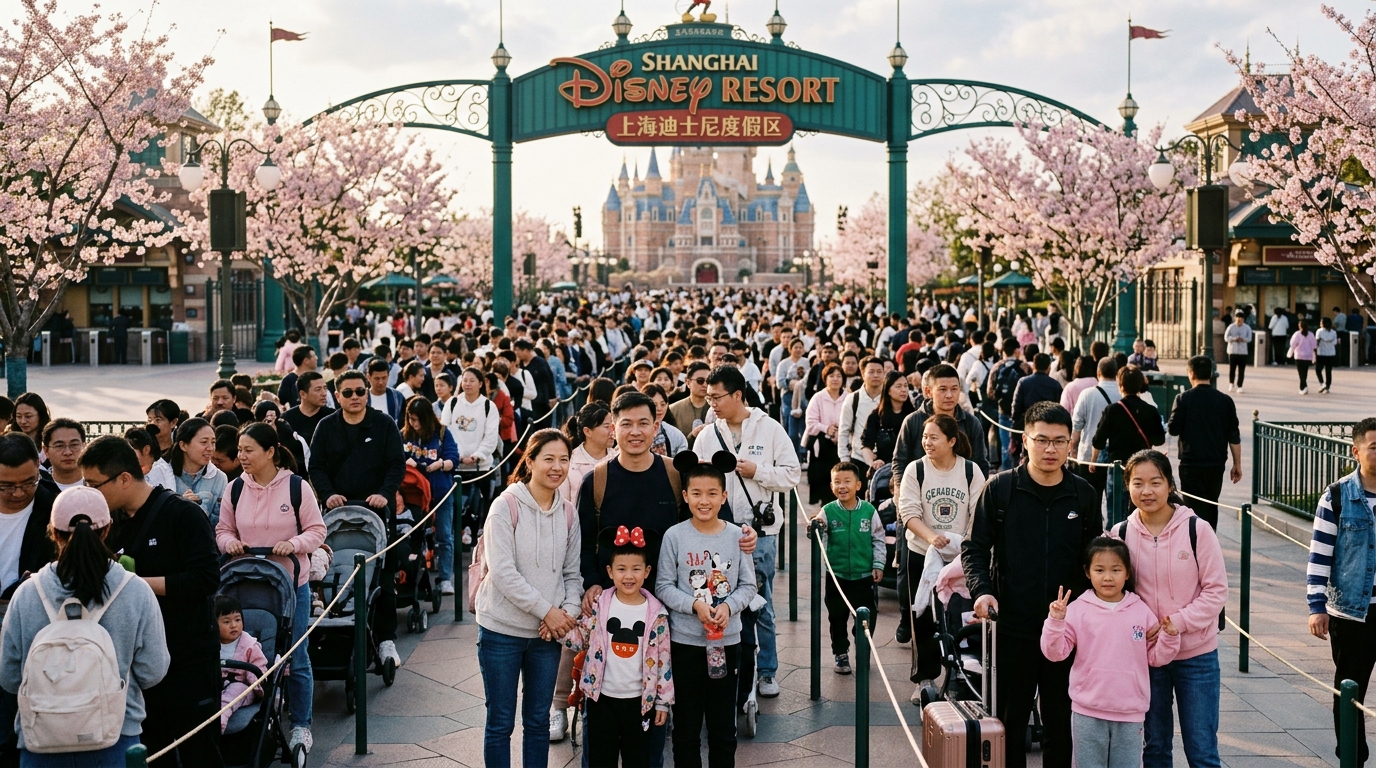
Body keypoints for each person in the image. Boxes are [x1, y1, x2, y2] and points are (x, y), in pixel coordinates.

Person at [962, 401, 1103, 768]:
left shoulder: (1084, 495)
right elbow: (974, 548)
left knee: (1062, 722)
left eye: (1059, 441)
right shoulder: (1001, 489)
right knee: (1010, 723)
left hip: (1068, 631)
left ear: (1071, 443)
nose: (1051, 449)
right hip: (1013, 627)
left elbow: (1095, 560)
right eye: (1042, 440)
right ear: (1025, 441)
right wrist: (983, 590)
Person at [80, 436, 223, 767]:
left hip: (188, 658)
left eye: (94, 484)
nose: (89, 493)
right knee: (152, 753)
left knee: (200, 753)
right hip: (137, 666)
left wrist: (135, 584)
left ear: (125, 479)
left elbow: (206, 579)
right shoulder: (109, 523)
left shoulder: (183, 515)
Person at [0, 486, 169, 764]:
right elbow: (153, 671)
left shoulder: (28, 593)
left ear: (53, 532)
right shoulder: (135, 591)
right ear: (107, 529)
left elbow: (9, 678)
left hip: (41, 741)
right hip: (116, 738)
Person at [216, 422, 327, 755]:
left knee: (296, 655)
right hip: (245, 585)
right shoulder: (235, 488)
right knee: (243, 653)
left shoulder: (296, 487)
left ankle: (301, 724)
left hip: (292, 584)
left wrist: (292, 544)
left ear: (270, 452)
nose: (242, 456)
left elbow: (317, 531)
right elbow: (222, 530)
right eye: (240, 450)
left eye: (249, 450)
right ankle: (250, 715)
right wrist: (232, 543)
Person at [1112, 450, 1228, 767]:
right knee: (1155, 748)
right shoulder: (1120, 534)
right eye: (1138, 483)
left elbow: (1217, 591)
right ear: (1128, 486)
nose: (1146, 491)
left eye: (1155, 482)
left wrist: (1178, 622)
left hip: (1197, 655)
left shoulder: (1197, 529)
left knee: (1202, 750)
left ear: (1170, 485)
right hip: (1147, 656)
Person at [692, 365, 800, 700]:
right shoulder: (709, 433)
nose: (712, 403)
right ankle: (731, 670)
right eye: (708, 397)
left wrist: (759, 471)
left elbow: (792, 474)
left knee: (760, 604)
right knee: (718, 600)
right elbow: (697, 477)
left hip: (761, 532)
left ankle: (767, 671)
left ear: (738, 395)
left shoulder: (769, 428)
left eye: (717, 397)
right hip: (719, 533)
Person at [475, 429, 581, 768]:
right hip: (501, 631)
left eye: (563, 459)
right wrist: (547, 611)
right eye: (548, 458)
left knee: (537, 722)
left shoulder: (567, 512)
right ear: (530, 461)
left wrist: (565, 615)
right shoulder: (505, 506)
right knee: (501, 722)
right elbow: (503, 573)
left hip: (546, 637)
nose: (557, 467)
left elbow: (572, 574)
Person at [1041, 537, 1181, 768]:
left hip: (1130, 712)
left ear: (1127, 573)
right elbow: (1055, 653)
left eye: (1116, 570)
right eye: (1099, 570)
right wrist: (1056, 621)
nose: (1108, 577)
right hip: (1087, 710)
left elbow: (1156, 657)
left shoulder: (1140, 610)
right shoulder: (1077, 609)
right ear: (1087, 572)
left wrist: (1170, 636)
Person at [657, 454, 758, 768]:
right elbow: (663, 586)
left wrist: (728, 606)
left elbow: (748, 586)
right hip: (686, 643)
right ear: (685, 496)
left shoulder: (736, 536)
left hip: (726, 643)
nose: (704, 501)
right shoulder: (674, 536)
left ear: (724, 496)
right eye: (696, 494)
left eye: (712, 493)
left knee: (723, 726)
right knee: (686, 726)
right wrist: (695, 605)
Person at [308, 369, 406, 667]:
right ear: (337, 396)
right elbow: (316, 466)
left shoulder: (384, 424)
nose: (354, 397)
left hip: (375, 508)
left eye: (360, 392)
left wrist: (385, 493)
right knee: (332, 572)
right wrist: (326, 494)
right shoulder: (326, 427)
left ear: (368, 392)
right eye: (347, 392)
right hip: (337, 510)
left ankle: (386, 639)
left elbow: (395, 464)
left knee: (382, 575)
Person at [554, 527, 673, 768]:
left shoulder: (656, 613)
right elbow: (581, 637)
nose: (628, 576)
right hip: (601, 699)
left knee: (638, 759)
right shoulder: (600, 604)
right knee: (600, 759)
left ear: (647, 571)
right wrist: (556, 628)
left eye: (636, 569)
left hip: (641, 702)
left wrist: (663, 702)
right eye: (621, 569)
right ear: (610, 571)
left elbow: (663, 661)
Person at [897, 413, 985, 699]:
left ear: (951, 441)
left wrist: (964, 542)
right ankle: (924, 678)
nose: (927, 442)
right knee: (922, 616)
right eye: (925, 437)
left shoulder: (970, 471)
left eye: (934, 437)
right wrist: (932, 538)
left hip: (962, 557)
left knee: (962, 614)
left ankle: (964, 672)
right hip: (921, 553)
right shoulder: (916, 470)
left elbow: (979, 513)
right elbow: (908, 512)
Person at [1308, 417, 1376, 765]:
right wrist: (1316, 605)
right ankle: (1352, 757)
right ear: (1356, 451)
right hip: (1352, 612)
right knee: (1350, 689)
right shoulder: (1337, 495)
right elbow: (1320, 553)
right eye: (1374, 447)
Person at [814, 461, 884, 675]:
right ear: (831, 485)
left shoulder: (869, 511)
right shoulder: (828, 511)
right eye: (837, 482)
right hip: (837, 576)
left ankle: (863, 651)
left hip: (863, 577)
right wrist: (815, 527)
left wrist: (878, 564)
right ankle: (841, 654)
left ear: (858, 485)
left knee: (865, 618)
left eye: (847, 481)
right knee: (836, 617)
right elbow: (818, 532)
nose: (842, 486)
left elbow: (878, 539)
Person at [1167, 356, 1243, 530]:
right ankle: (1209, 540)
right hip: (1216, 464)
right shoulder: (1225, 400)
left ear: (1191, 374)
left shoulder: (1183, 399)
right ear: (1210, 374)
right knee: (1211, 504)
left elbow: (1173, 429)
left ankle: (1194, 542)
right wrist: (1237, 464)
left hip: (1190, 463)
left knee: (1192, 508)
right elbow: (1234, 435)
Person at [401, 397, 459, 595]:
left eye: (418, 420)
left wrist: (440, 464)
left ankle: (444, 578)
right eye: (411, 419)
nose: (414, 424)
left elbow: (453, 459)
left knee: (444, 535)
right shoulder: (405, 435)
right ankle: (413, 576)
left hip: (440, 491)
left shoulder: (442, 433)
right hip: (414, 494)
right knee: (414, 533)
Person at [1091, 364, 1165, 466]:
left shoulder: (1112, 410)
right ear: (1140, 385)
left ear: (1121, 386)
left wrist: (1093, 461)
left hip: (1118, 465)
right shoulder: (1150, 410)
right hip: (1142, 464)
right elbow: (1159, 440)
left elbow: (1098, 441)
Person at [215, 594, 268, 733]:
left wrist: (254, 679)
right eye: (226, 622)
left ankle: (219, 720)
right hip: (216, 684)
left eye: (237, 620)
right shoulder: (211, 645)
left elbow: (259, 665)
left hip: (242, 687)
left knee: (236, 690)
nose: (234, 625)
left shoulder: (249, 645)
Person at [858, 370, 915, 486]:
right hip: (884, 472)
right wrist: (873, 462)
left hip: (910, 472)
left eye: (905, 386)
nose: (904, 390)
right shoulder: (876, 417)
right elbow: (866, 445)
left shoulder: (913, 416)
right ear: (888, 390)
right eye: (898, 386)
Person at [168, 417, 228, 525]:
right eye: (204, 442)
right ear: (183, 445)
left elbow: (219, 524)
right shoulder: (163, 473)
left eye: (213, 442)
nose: (210, 448)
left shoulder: (219, 478)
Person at [803, 364, 847, 505]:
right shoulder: (818, 398)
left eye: (839, 376)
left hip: (842, 444)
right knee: (824, 482)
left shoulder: (849, 397)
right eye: (831, 376)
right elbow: (810, 422)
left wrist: (840, 432)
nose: (835, 379)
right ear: (825, 378)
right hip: (821, 445)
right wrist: (826, 428)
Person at [837, 357, 886, 464]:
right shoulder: (853, 399)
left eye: (879, 372)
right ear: (863, 374)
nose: (876, 375)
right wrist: (844, 459)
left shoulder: (889, 398)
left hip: (885, 459)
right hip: (859, 458)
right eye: (871, 372)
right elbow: (844, 430)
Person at [1011, 353, 1064, 431]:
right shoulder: (1055, 385)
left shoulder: (1023, 382)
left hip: (1028, 426)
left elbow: (1016, 408)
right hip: (1048, 427)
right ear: (1048, 367)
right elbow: (1059, 409)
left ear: (1033, 366)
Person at [282, 371, 335, 446]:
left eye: (325, 388)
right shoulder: (286, 419)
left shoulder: (333, 417)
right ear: (303, 394)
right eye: (318, 389)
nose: (324, 393)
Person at [667, 361, 711, 446]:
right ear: (688, 382)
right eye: (700, 381)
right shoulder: (673, 410)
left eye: (708, 381)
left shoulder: (717, 408)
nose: (705, 385)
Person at [125, 425, 176, 492]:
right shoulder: (145, 469)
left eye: (131, 452)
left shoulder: (159, 469)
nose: (127, 456)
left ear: (146, 450)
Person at [40, 418, 85, 492]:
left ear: (84, 447)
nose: (68, 452)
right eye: (59, 446)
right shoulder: (38, 487)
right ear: (46, 451)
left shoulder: (97, 484)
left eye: (74, 445)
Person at [365, 358, 406, 422]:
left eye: (384, 378)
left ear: (388, 376)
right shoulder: (362, 398)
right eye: (377, 378)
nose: (381, 382)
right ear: (368, 377)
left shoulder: (398, 397)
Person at [1224, 309, 1254, 392]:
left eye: (1241, 319)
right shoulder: (1231, 327)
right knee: (1232, 369)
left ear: (1243, 319)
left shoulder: (1247, 327)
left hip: (1243, 352)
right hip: (1232, 351)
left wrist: (1243, 339)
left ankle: (1240, 385)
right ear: (1235, 318)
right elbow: (1226, 337)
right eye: (1237, 319)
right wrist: (1234, 339)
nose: (1239, 321)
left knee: (1241, 370)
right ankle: (1231, 383)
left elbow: (1249, 339)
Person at [1290, 318, 1319, 394]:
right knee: (1305, 372)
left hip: (1299, 356)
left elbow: (1292, 344)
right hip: (1308, 356)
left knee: (1300, 372)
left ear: (1299, 326)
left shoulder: (1297, 334)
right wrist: (1315, 356)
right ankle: (1304, 386)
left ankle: (1303, 387)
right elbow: (1314, 346)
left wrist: (1291, 353)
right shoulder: (1311, 334)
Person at [1317, 316, 1340, 393]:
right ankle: (1328, 386)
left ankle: (1322, 383)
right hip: (1331, 354)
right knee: (1328, 371)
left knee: (1318, 370)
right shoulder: (1333, 332)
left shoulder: (1319, 331)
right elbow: (1335, 342)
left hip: (1321, 353)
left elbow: (1317, 341)